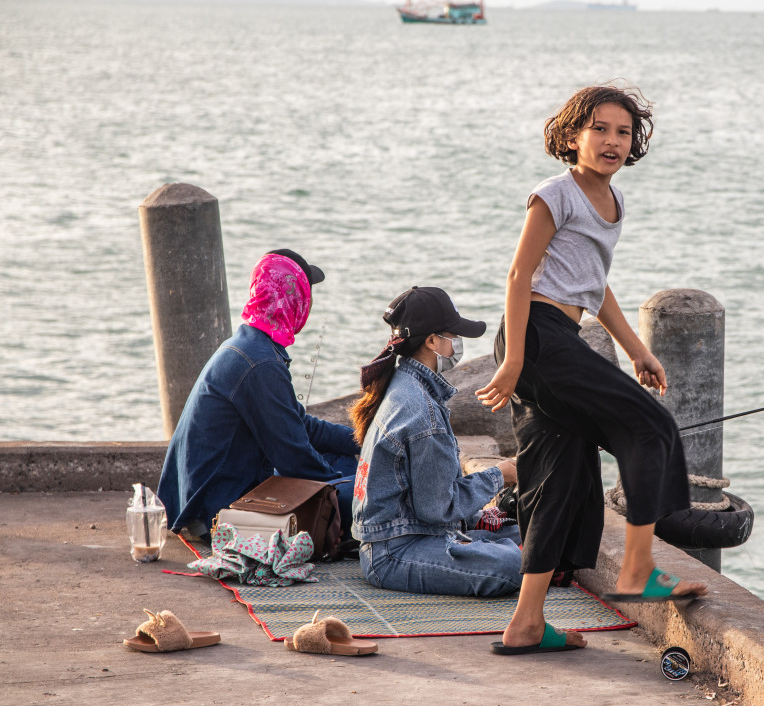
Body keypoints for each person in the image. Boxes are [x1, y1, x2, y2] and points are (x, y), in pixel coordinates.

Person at [475, 85, 708, 655]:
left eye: (623, 132)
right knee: (649, 425)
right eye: (599, 129)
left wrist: (635, 348)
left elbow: (594, 283)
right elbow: (517, 276)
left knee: (558, 472)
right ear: (573, 135)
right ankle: (637, 572)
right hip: (537, 337)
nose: (611, 141)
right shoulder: (555, 194)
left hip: (560, 336)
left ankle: (526, 623)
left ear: (635, 143)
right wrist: (513, 361)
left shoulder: (614, 203)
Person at [157, 249, 359, 539]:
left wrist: (360, 440)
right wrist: (353, 481)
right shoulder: (261, 364)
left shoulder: (248, 344)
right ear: (295, 298)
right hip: (218, 509)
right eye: (305, 292)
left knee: (347, 460)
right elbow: (296, 459)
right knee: (369, 491)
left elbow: (300, 425)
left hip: (202, 499)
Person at [349, 286, 521, 597]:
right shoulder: (422, 410)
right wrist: (502, 475)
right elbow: (438, 508)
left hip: (409, 533)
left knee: (522, 534)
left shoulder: (403, 383)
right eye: (452, 335)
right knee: (511, 566)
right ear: (431, 341)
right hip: (394, 552)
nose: (458, 343)